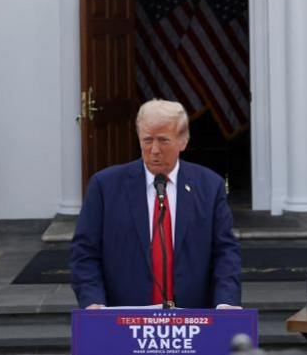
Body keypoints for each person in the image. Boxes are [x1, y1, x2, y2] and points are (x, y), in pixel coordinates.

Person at [70, 99, 242, 309]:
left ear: (183, 141)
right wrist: (93, 301)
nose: (154, 150)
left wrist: (226, 302)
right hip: (124, 323)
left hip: (193, 324)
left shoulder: (209, 186)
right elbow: (85, 252)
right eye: (147, 140)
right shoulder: (105, 187)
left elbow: (225, 252)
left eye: (163, 140)